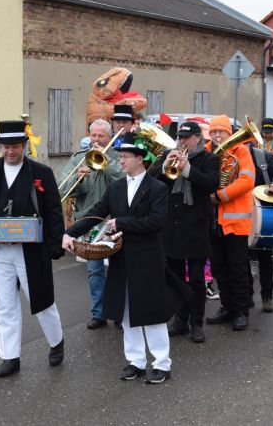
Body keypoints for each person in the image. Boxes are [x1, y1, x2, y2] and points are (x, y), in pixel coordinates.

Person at [63, 132, 182, 384]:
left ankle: (162, 363)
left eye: (126, 157)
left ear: (140, 159)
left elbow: (156, 221)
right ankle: (136, 361)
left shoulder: (157, 187)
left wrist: (122, 222)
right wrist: (69, 233)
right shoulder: (116, 186)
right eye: (121, 157)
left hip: (147, 258)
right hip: (121, 257)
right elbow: (97, 212)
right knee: (126, 311)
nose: (122, 161)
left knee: (151, 312)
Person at [0, 120, 66, 378]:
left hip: (31, 250)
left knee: (41, 300)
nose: (10, 151)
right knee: (3, 305)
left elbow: (54, 211)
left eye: (15, 146)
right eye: (5, 146)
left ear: (24, 146)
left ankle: (56, 342)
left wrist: (55, 244)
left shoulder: (41, 172)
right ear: (0, 147)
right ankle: (10, 356)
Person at [148, 121, 220, 343]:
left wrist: (187, 169)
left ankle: (196, 323)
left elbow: (211, 184)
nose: (182, 141)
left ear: (198, 138)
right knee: (175, 278)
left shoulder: (210, 158)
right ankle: (180, 319)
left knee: (197, 280)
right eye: (180, 137)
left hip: (196, 224)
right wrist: (163, 166)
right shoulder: (169, 153)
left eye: (187, 138)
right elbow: (149, 179)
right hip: (171, 225)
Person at [56, 119, 124, 330]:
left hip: (113, 220)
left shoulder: (119, 156)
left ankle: (120, 313)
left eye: (100, 136)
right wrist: (78, 177)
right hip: (88, 220)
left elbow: (124, 178)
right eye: (93, 135)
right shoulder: (79, 158)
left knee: (118, 269)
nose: (96, 140)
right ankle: (99, 313)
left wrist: (106, 162)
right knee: (94, 271)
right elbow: (62, 188)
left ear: (108, 136)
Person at [204, 115, 255, 331]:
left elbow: (247, 180)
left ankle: (241, 311)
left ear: (229, 133)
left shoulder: (240, 150)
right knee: (219, 268)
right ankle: (226, 307)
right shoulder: (206, 151)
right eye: (213, 132)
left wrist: (220, 195)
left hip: (235, 222)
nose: (216, 136)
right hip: (212, 221)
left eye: (221, 132)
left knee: (238, 268)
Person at [245, 136, 273, 313]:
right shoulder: (228, 158)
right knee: (241, 260)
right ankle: (246, 296)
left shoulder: (263, 156)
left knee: (265, 258)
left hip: (263, 215)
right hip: (239, 215)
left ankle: (267, 297)